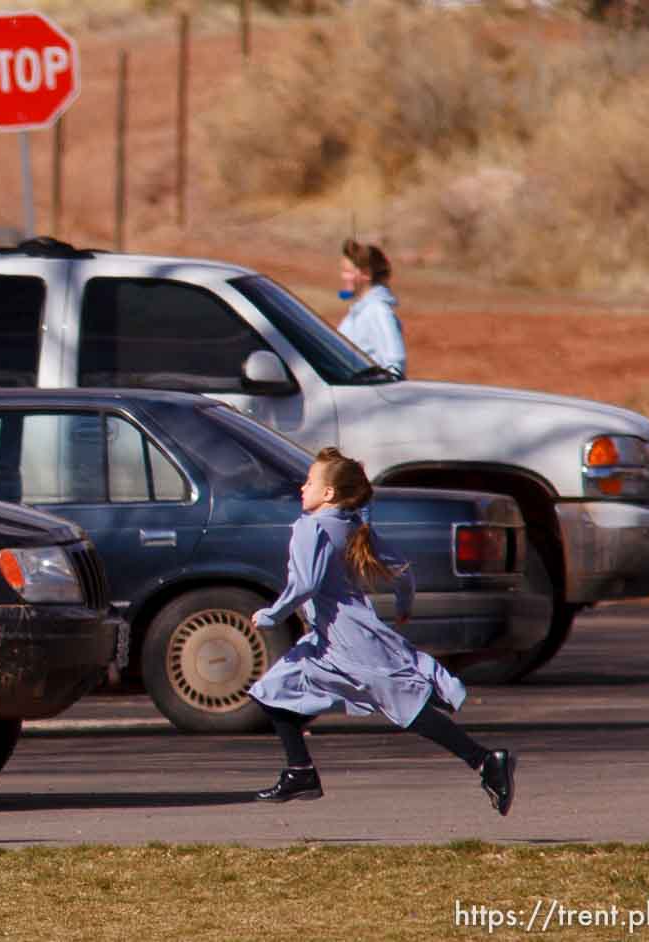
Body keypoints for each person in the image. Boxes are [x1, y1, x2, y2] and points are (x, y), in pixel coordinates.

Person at [248, 447, 516, 815]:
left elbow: (306, 583)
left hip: (348, 640)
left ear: (328, 494)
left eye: (310, 482)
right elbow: (403, 572)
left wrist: (272, 615)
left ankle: (486, 760)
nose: (302, 488)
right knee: (272, 690)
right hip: (336, 636)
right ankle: (300, 772)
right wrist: (405, 604)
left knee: (405, 706)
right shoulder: (353, 526)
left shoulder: (310, 528)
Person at [337, 239, 407, 377]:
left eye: (348, 271)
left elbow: (395, 365)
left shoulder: (377, 311)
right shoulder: (360, 312)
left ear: (366, 274)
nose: (342, 276)